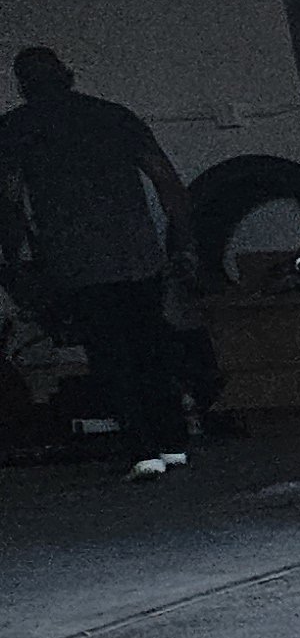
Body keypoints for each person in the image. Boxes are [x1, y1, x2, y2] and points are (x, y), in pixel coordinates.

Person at [0, 46, 191, 478]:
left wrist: (14, 264)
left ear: (23, 85)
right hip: (138, 256)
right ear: (68, 75)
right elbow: (167, 182)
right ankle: (175, 445)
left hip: (78, 266)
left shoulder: (16, 129)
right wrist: (181, 246)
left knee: (110, 357)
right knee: (152, 349)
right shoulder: (113, 116)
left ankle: (143, 453)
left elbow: (9, 202)